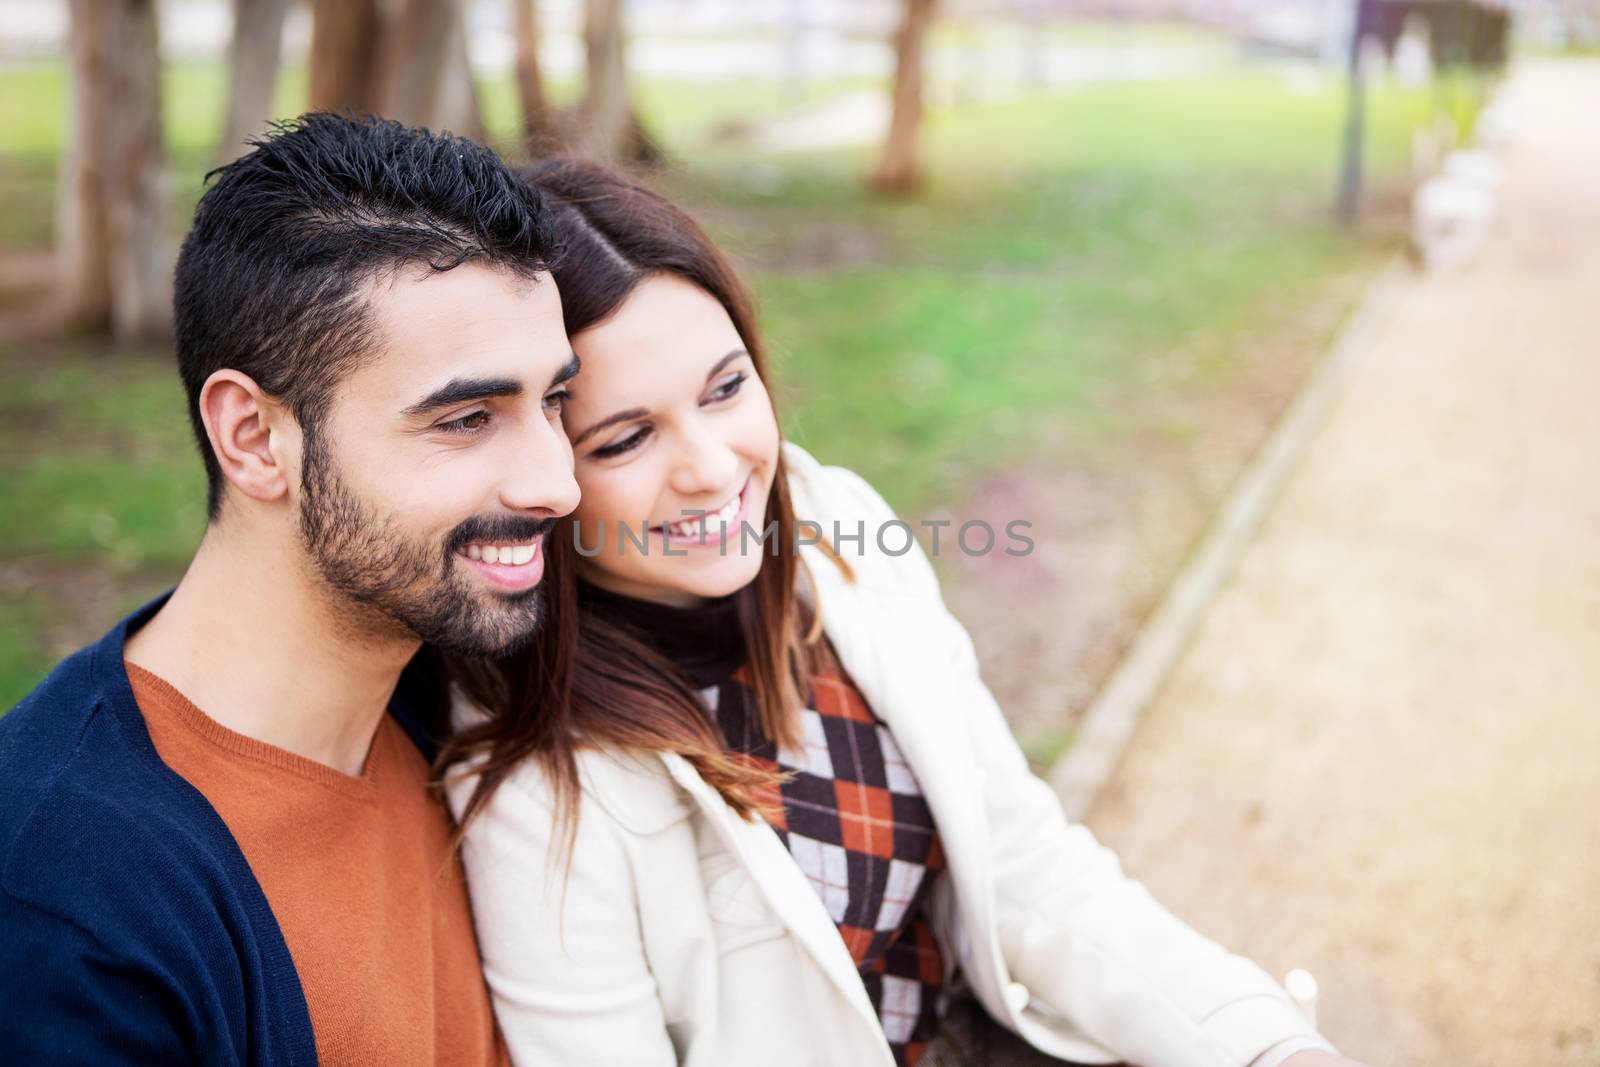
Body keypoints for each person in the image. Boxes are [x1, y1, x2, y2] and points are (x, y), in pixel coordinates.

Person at [442, 158, 1372, 1067]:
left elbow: (1027, 870)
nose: (714, 468)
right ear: (543, 478)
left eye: (726, 389)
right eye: (627, 437)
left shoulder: (838, 529)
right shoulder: (534, 790)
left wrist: (1263, 1039)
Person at [0, 114, 580, 1064]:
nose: (557, 481)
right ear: (254, 436)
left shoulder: (450, 712)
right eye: (469, 417)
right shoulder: (69, 907)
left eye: (552, 401)